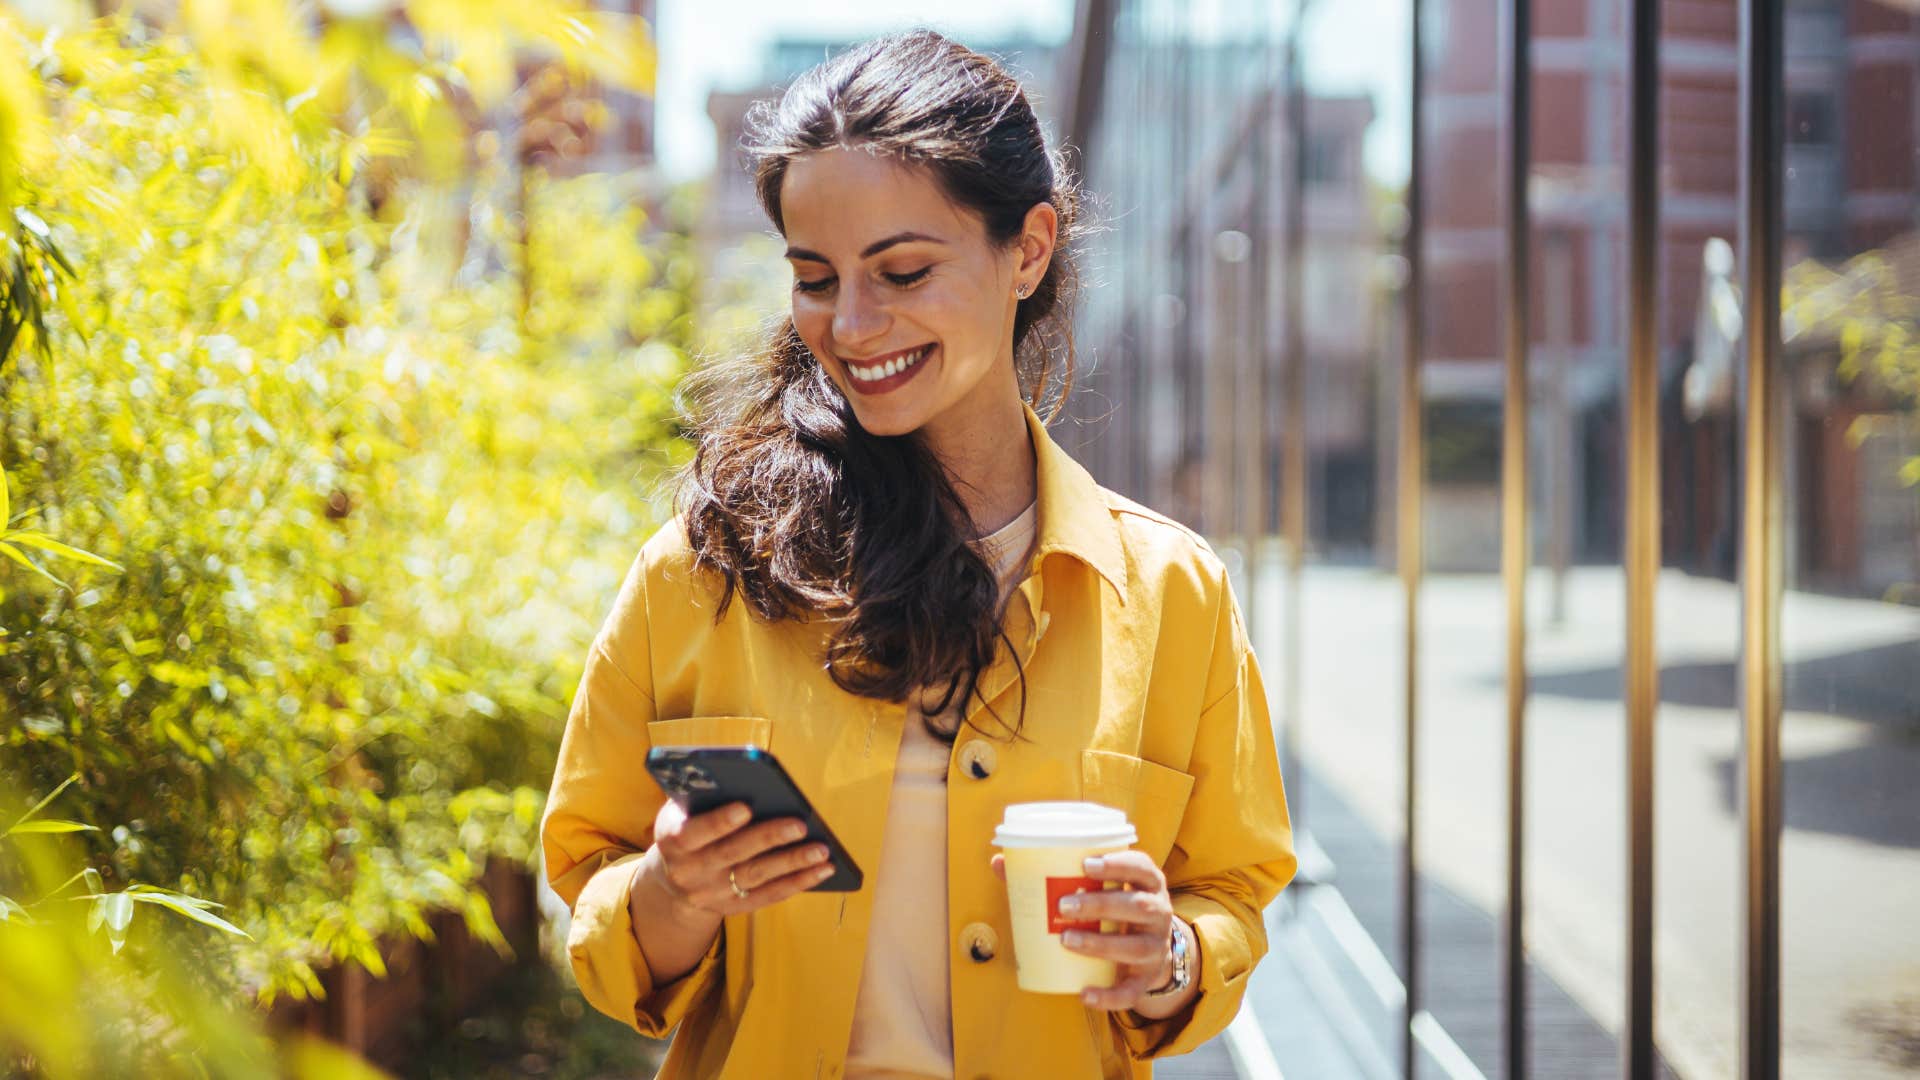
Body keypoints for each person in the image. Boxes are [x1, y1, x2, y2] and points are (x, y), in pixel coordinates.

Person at [540, 29, 1296, 1080]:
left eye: (901, 270)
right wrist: (670, 895)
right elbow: (591, 903)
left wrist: (1165, 954)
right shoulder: (701, 573)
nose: (851, 324)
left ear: (1028, 248)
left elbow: (1233, 894)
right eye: (815, 277)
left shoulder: (1172, 594)